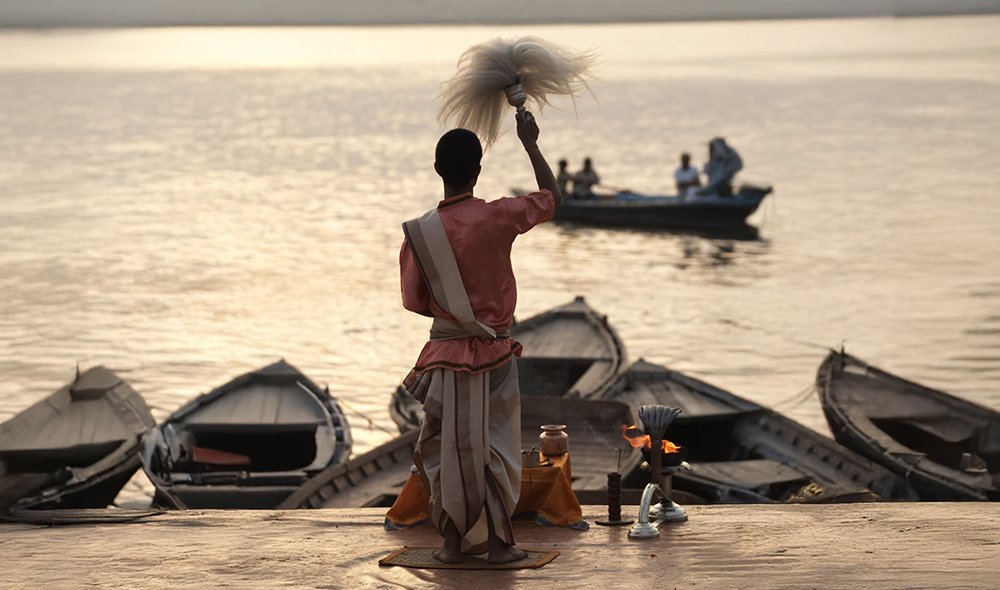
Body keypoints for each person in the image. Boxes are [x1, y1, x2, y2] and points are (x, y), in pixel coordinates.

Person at [398, 111, 561, 564]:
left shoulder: (419, 233)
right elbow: (551, 198)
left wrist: (454, 312)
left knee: (446, 450)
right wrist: (530, 142)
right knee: (497, 450)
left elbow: (414, 301)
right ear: (478, 171)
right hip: (494, 353)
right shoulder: (498, 216)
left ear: (437, 169)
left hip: (443, 357)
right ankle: (500, 546)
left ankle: (451, 546)